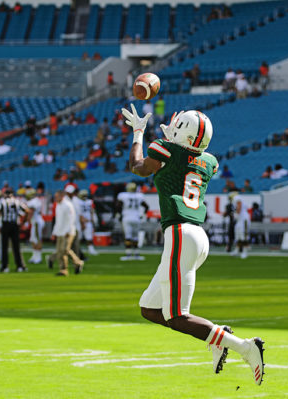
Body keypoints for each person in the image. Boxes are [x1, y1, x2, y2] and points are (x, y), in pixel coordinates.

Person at [120, 103, 265, 384]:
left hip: (180, 235)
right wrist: (175, 139)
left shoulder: (165, 149)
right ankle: (216, 335)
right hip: (196, 236)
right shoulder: (208, 161)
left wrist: (138, 133)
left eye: (177, 126)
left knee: (176, 316)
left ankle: (245, 347)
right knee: (150, 309)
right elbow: (187, 155)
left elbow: (137, 167)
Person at [47, 190, 84, 276]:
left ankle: (64, 269)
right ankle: (77, 263)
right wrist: (54, 232)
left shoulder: (67, 205)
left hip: (67, 232)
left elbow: (71, 219)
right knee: (61, 251)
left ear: (61, 196)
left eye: (57, 196)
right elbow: (58, 221)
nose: (55, 198)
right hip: (60, 232)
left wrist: (68, 230)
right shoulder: (58, 206)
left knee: (63, 250)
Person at [0, 189, 28, 273]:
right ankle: (20, 266)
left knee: (4, 247)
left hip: (6, 224)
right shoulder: (17, 201)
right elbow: (27, 210)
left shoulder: (3, 201)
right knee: (16, 246)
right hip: (15, 225)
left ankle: (5, 266)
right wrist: (23, 222)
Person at [116, 182, 149, 261]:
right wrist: (143, 215)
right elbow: (146, 206)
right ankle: (137, 254)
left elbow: (118, 206)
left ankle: (128, 254)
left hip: (127, 217)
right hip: (136, 218)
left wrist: (119, 215)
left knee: (128, 236)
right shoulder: (139, 196)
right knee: (135, 237)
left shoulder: (123, 195)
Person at [25, 189, 44, 264]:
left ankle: (38, 258)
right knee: (33, 240)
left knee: (37, 240)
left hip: (36, 222)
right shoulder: (36, 200)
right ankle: (34, 256)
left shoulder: (33, 202)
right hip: (36, 221)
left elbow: (31, 212)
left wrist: (27, 221)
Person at [78, 190, 98, 256]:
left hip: (88, 221)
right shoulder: (77, 202)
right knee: (79, 238)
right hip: (80, 221)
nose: (84, 197)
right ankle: (78, 250)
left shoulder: (89, 202)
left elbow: (92, 211)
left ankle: (91, 249)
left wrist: (92, 220)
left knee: (89, 237)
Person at [232, 193, 251, 259]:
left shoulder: (237, 198)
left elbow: (239, 206)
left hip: (243, 220)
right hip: (240, 220)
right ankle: (237, 250)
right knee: (238, 236)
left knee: (244, 236)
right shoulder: (236, 199)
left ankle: (245, 252)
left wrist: (236, 213)